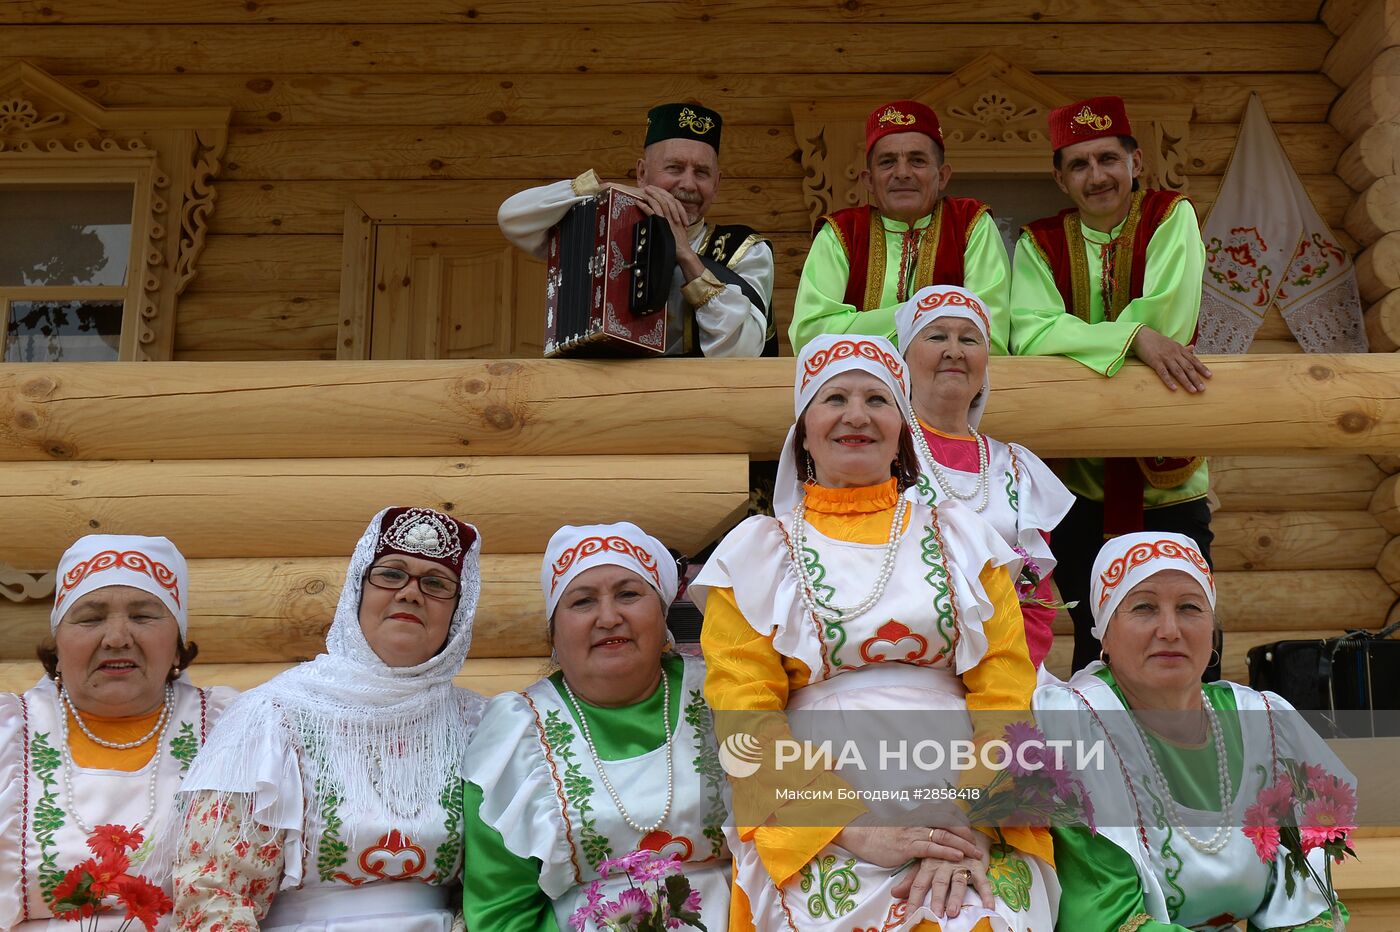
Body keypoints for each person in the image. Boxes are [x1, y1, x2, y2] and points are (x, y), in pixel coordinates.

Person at [692, 334, 1057, 930]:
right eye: (833, 398)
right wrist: (858, 831)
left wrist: (970, 823)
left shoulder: (964, 537)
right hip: (822, 825)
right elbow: (744, 710)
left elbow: (1007, 693)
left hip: (967, 810)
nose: (856, 416)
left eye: (878, 400)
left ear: (903, 430)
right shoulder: (756, 552)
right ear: (804, 433)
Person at [171, 507, 486, 932]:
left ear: (460, 612)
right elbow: (212, 889)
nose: (411, 593)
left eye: (436, 584)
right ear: (357, 589)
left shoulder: (476, 724)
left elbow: (500, 885)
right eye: (391, 574)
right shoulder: (272, 714)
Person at [1034, 533, 1353, 931]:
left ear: (1212, 629)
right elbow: (1105, 919)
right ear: (1105, 633)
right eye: (1144, 607)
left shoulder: (1266, 722)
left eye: (1189, 607)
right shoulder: (1077, 724)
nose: (1170, 629)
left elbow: (1307, 903)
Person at [1007, 95, 1216, 676]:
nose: (1096, 175)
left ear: (1136, 161)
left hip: (1169, 483)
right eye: (1079, 164)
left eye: (1107, 159)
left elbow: (1171, 318)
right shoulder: (1038, 242)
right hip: (1077, 484)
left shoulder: (1172, 217)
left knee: (1188, 635)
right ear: (1060, 177)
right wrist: (1136, 341)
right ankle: (1097, 762)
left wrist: (1134, 336)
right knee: (1092, 632)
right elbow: (1028, 331)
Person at [461, 522, 731, 931]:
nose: (608, 617)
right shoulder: (517, 735)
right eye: (583, 602)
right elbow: (501, 913)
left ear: (662, 616)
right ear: (554, 630)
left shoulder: (724, 696)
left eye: (628, 594)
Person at [0, 534, 236, 931]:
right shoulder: (9, 734)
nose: (117, 639)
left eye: (143, 617)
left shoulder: (229, 729)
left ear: (176, 646)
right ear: (57, 646)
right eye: (90, 618)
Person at [498, 101, 776, 357]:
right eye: (674, 168)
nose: (689, 185)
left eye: (701, 173)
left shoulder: (745, 250)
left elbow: (743, 352)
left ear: (716, 184)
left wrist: (685, 255)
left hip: (697, 402)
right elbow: (512, 217)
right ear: (642, 173)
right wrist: (602, 188)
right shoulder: (606, 226)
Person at [895, 284, 1073, 670]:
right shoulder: (882, 454)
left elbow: (1034, 600)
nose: (954, 351)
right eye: (937, 336)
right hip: (907, 666)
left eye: (970, 339)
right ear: (904, 357)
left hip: (1008, 670)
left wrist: (1007, 678)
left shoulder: (1018, 469)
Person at [791, 100, 1011, 355]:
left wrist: (870, 329)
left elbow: (988, 335)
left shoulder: (970, 223)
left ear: (942, 176)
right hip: (860, 390)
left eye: (917, 160)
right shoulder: (842, 232)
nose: (902, 172)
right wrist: (924, 315)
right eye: (887, 162)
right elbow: (810, 334)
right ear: (869, 180)